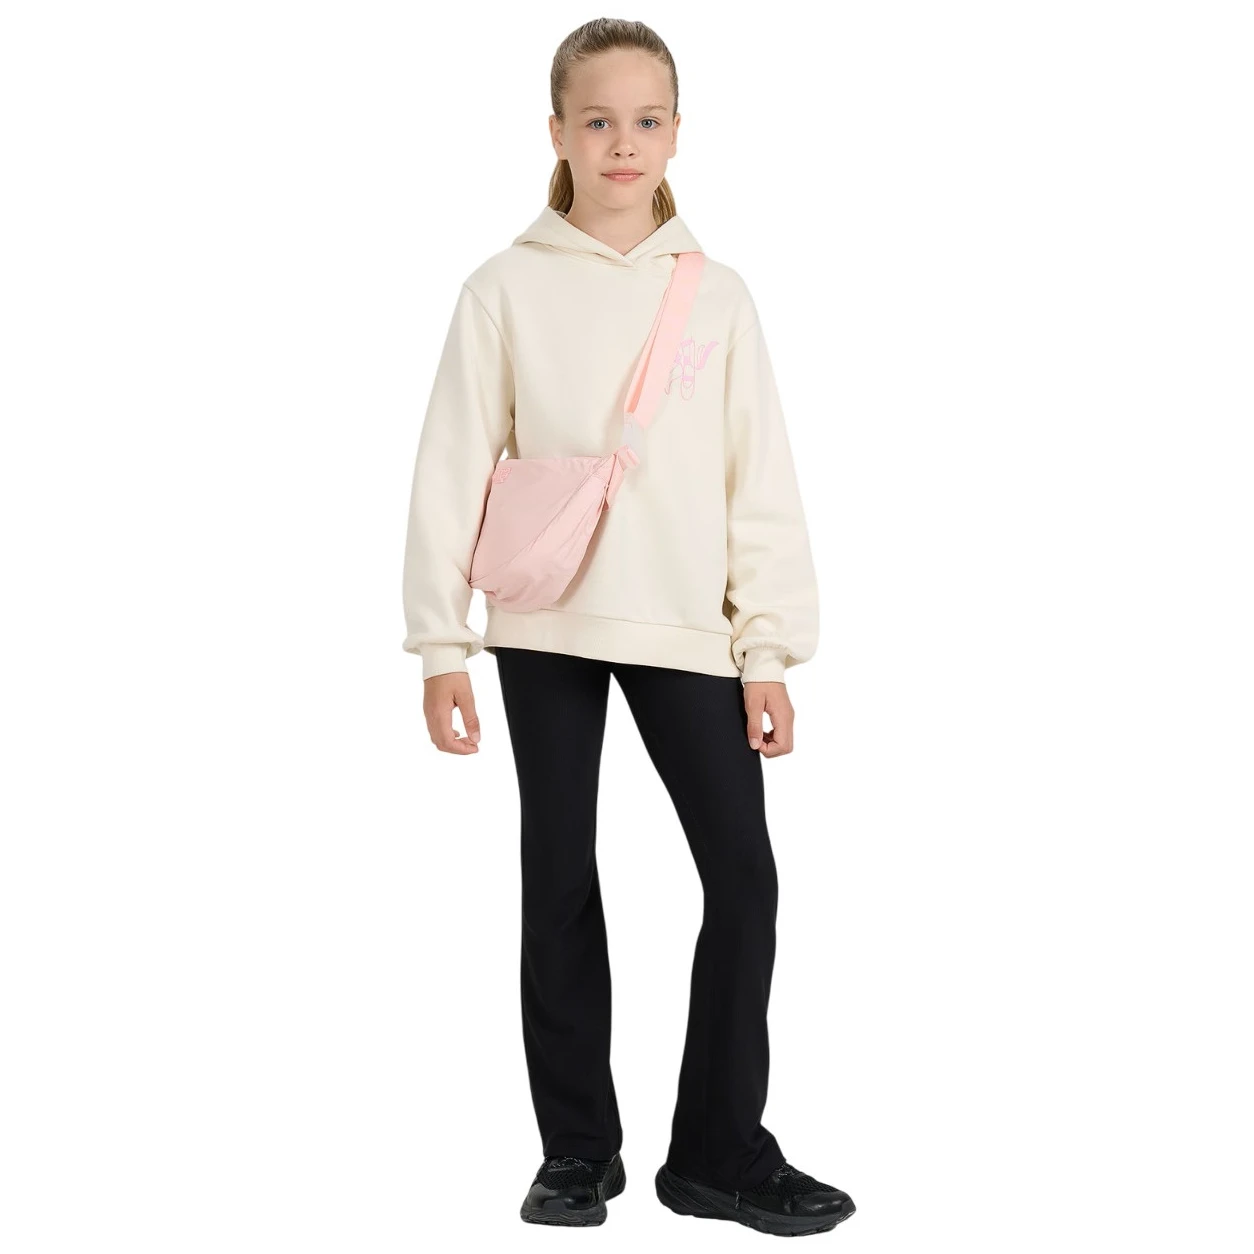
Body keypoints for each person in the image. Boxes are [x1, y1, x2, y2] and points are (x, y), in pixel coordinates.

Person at [400, 18, 856, 1239]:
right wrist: (442, 643)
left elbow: (759, 479)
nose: (622, 142)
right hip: (544, 618)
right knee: (556, 877)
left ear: (678, 133)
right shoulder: (502, 287)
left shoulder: (719, 296)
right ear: (555, 132)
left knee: (743, 876)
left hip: (687, 625)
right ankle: (575, 1153)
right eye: (597, 120)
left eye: (647, 120)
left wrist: (767, 648)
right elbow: (452, 463)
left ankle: (717, 1152)